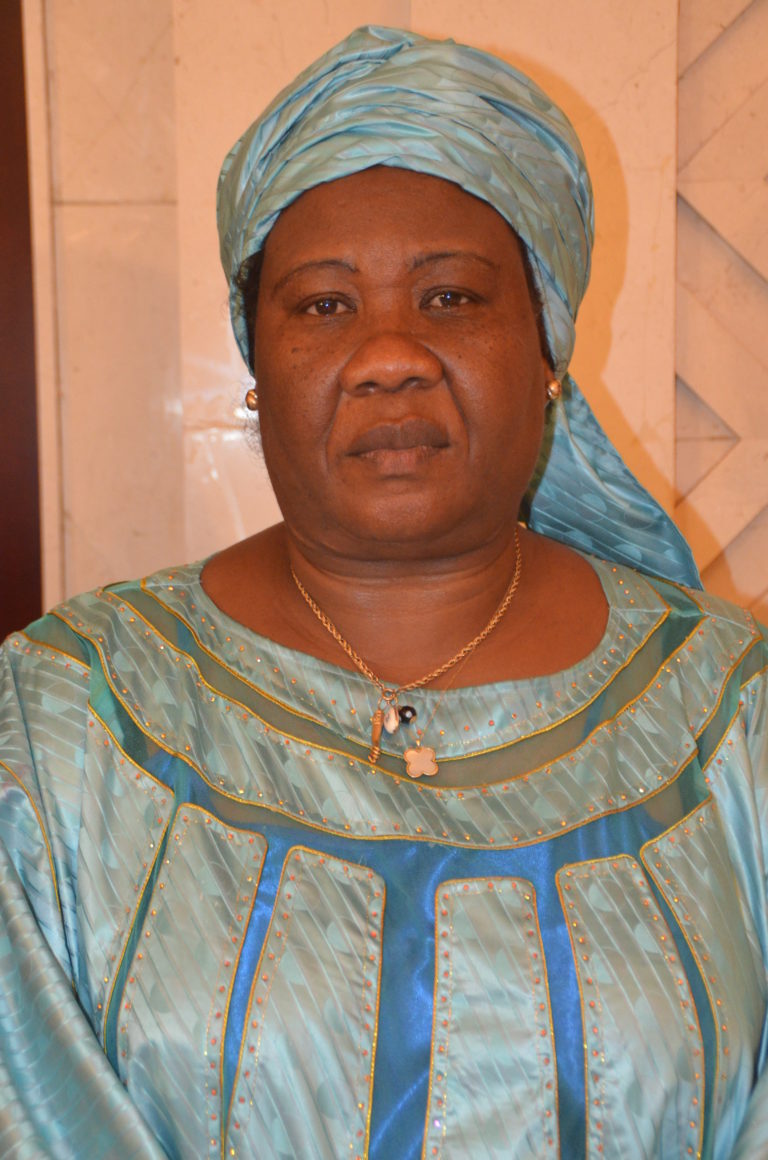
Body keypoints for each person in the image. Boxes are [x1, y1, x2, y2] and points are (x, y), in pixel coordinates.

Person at [0, 25, 765, 1160]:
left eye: (451, 297)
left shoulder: (729, 716)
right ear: (254, 364)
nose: (389, 354)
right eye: (323, 306)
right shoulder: (62, 722)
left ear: (547, 349)